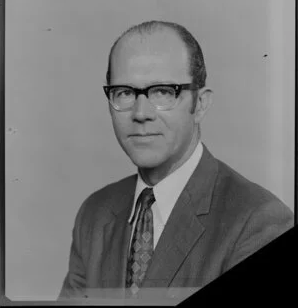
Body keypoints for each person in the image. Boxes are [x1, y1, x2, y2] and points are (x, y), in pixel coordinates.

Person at [58, 20, 294, 301]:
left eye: (163, 91)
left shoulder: (258, 223)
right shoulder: (95, 214)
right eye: (124, 92)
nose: (141, 112)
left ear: (201, 104)